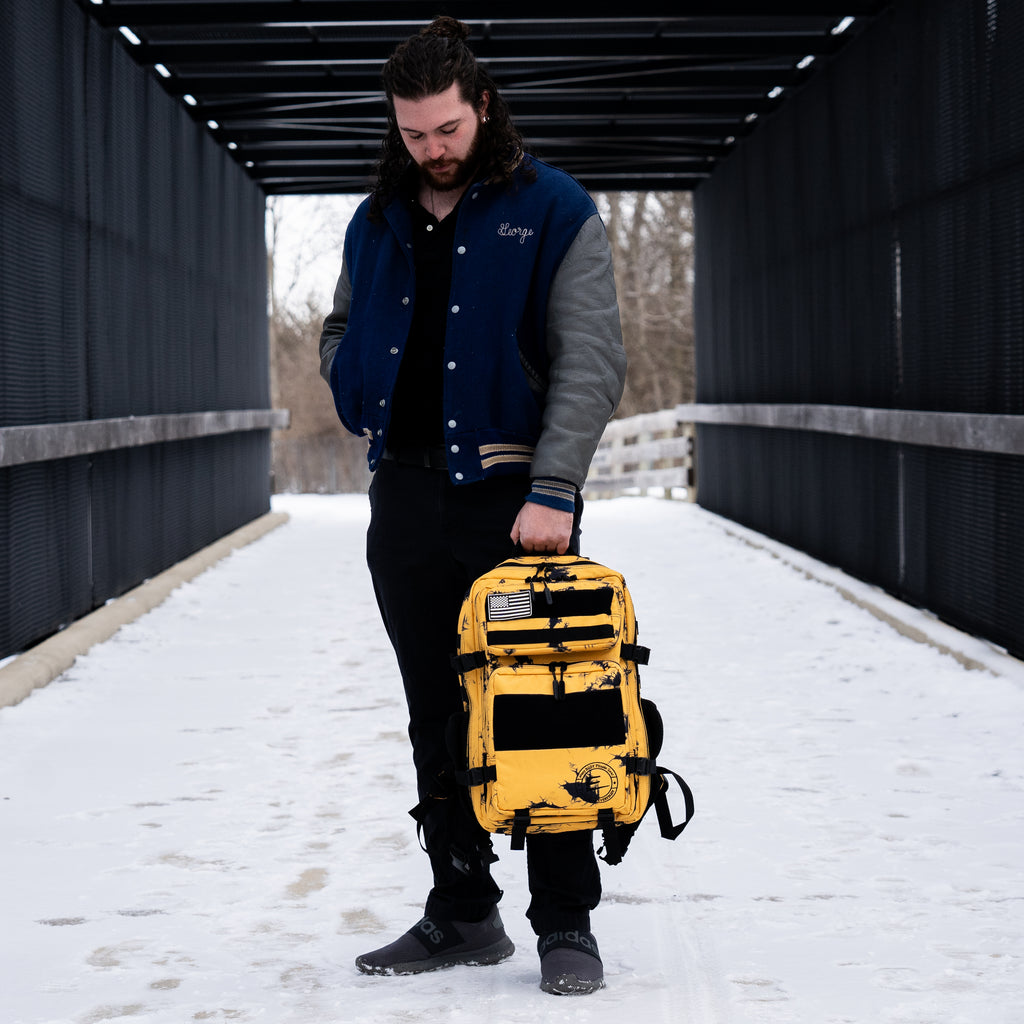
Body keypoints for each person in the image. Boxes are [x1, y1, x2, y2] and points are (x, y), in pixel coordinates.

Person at [319, 16, 627, 996]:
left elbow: (593, 359)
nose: (430, 149)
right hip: (404, 497)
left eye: (445, 129)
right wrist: (350, 376)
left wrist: (553, 488)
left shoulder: (555, 209)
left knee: (549, 703)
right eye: (412, 133)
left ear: (480, 106)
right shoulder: (374, 220)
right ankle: (461, 908)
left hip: (514, 502)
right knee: (432, 712)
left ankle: (565, 920)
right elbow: (336, 325)